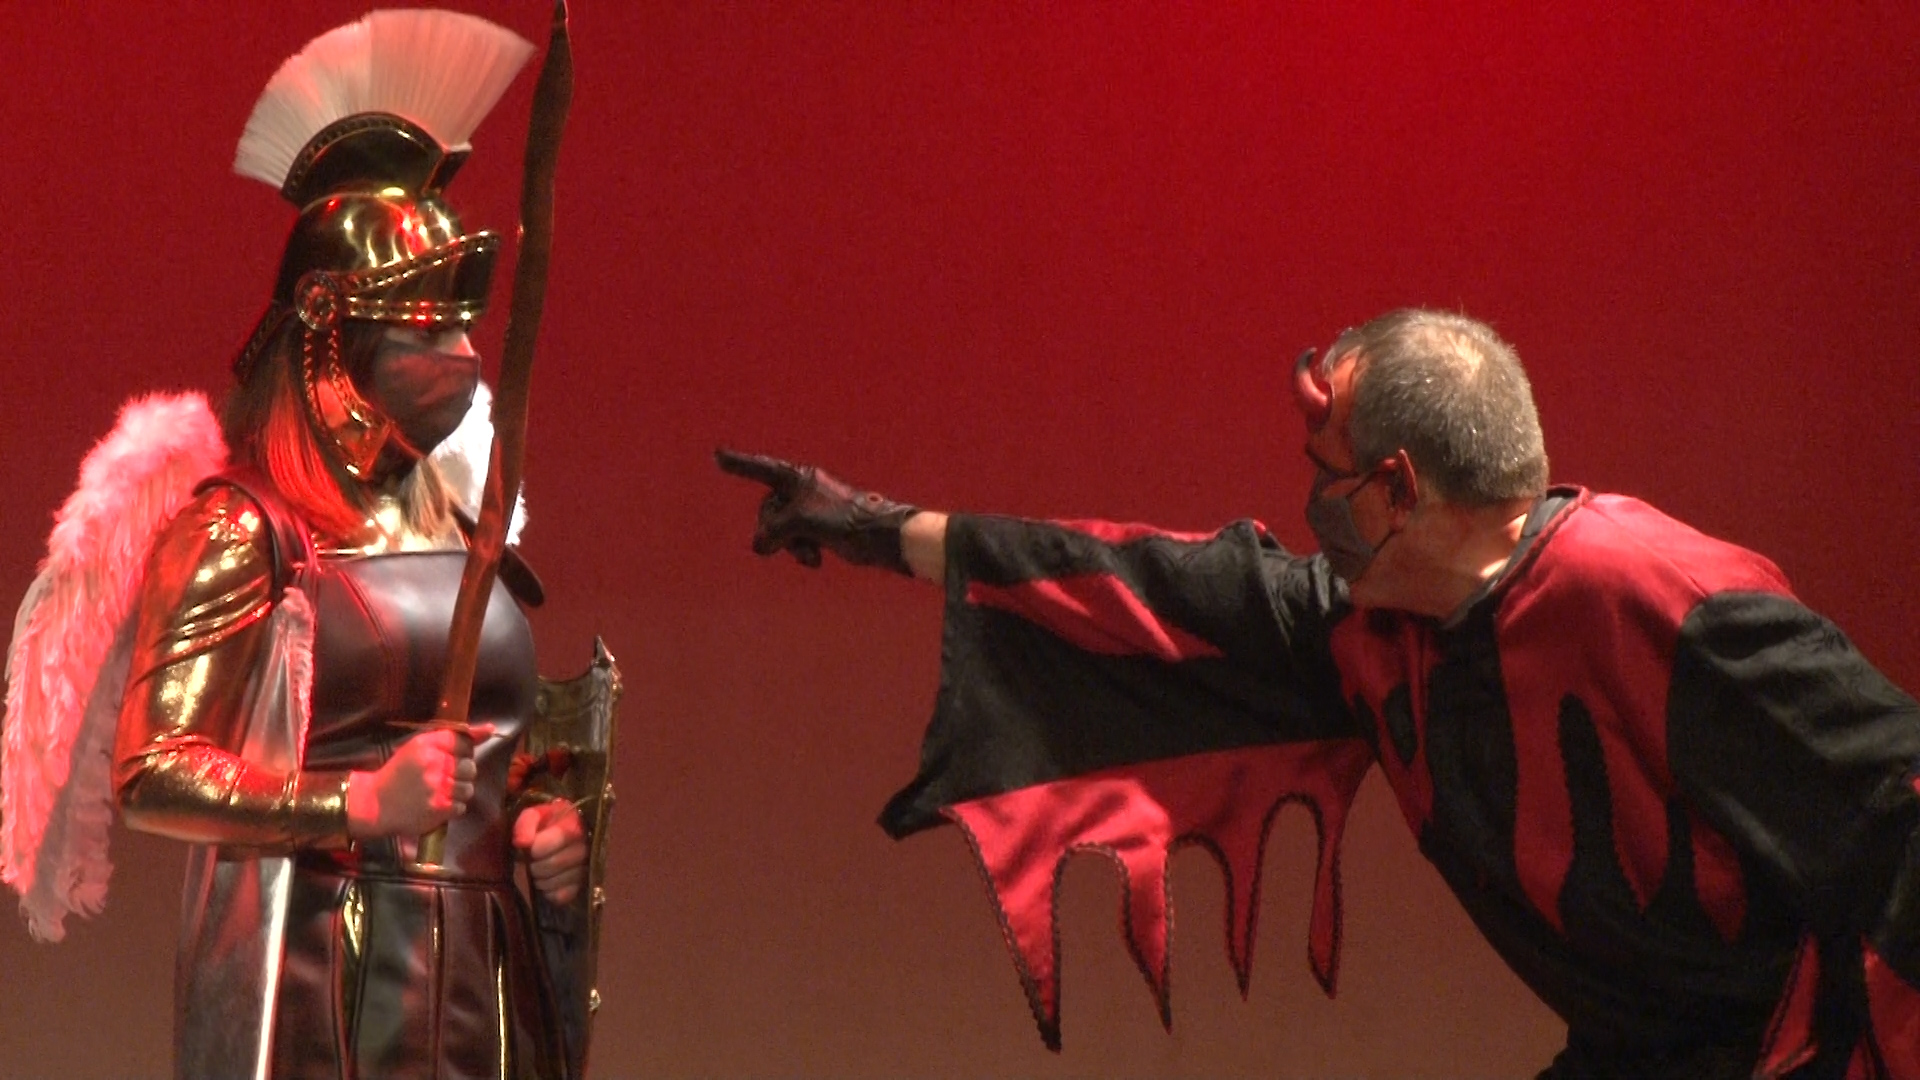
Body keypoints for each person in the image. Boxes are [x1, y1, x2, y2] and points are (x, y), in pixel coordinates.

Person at [718, 308, 1920, 1079]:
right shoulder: (1380, 629)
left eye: (1326, 474)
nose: (1309, 503)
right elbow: (1153, 583)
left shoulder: (1661, 599)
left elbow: (1902, 799)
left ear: (1396, 489)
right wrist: (872, 525)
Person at [4, 11, 588, 1079]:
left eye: (465, 327)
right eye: (428, 330)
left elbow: (484, 749)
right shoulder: (244, 528)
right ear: (335, 326)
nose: (464, 355)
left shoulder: (458, 524)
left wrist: (537, 818)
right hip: (326, 981)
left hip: (480, 975)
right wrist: (356, 804)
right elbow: (156, 769)